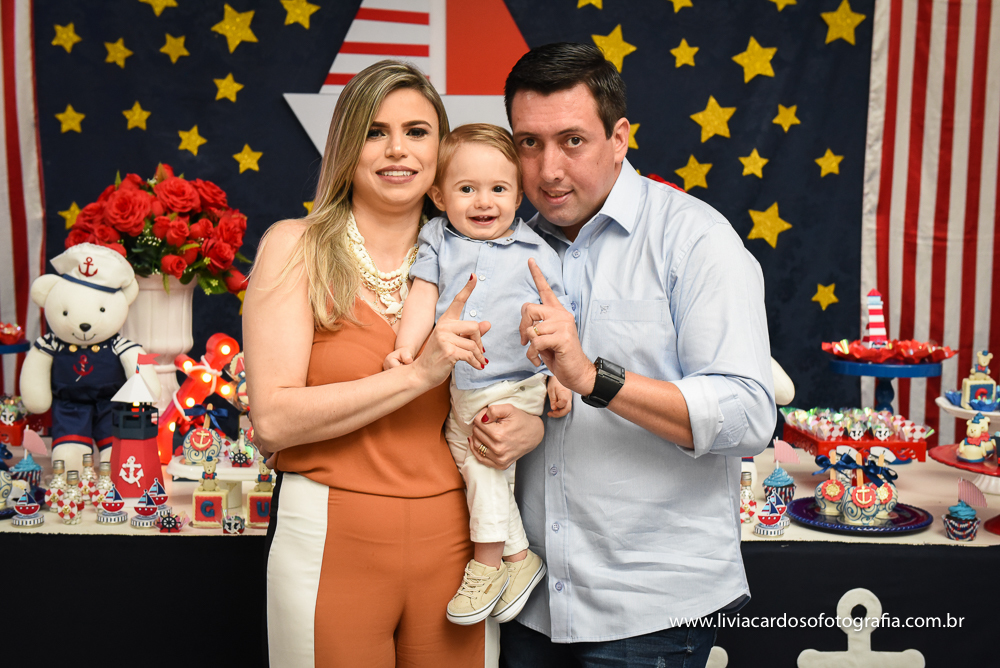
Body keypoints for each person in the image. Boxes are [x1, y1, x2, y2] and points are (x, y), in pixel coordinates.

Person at [467, 43, 776, 667]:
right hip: (527, 602)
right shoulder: (500, 248)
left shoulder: (695, 240)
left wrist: (592, 378)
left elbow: (749, 415)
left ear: (619, 138)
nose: (548, 169)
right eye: (529, 143)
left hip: (648, 608)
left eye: (572, 141)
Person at [244, 60, 517, 667]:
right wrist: (417, 375)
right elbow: (274, 421)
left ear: (441, 149)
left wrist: (531, 423)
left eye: (417, 132)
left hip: (460, 538)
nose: (398, 149)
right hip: (329, 534)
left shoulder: (488, 251)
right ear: (347, 145)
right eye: (375, 131)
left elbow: (520, 384)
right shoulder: (296, 246)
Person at [385, 124, 572, 627]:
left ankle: (487, 565)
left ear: (518, 195)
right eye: (467, 188)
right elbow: (423, 295)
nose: (484, 201)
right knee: (466, 459)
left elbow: (559, 319)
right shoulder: (436, 239)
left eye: (499, 189)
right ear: (439, 196)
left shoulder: (537, 252)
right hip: (462, 384)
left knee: (485, 460)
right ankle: (519, 556)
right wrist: (407, 348)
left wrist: (561, 376)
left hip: (517, 380)